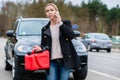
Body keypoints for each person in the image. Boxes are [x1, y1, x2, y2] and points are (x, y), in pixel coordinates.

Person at [33, 3, 81, 80]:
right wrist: (39, 48)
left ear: (56, 11)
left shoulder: (66, 23)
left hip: (65, 61)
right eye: (47, 11)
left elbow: (71, 36)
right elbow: (43, 45)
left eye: (52, 10)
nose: (49, 12)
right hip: (51, 61)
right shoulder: (45, 29)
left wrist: (60, 23)